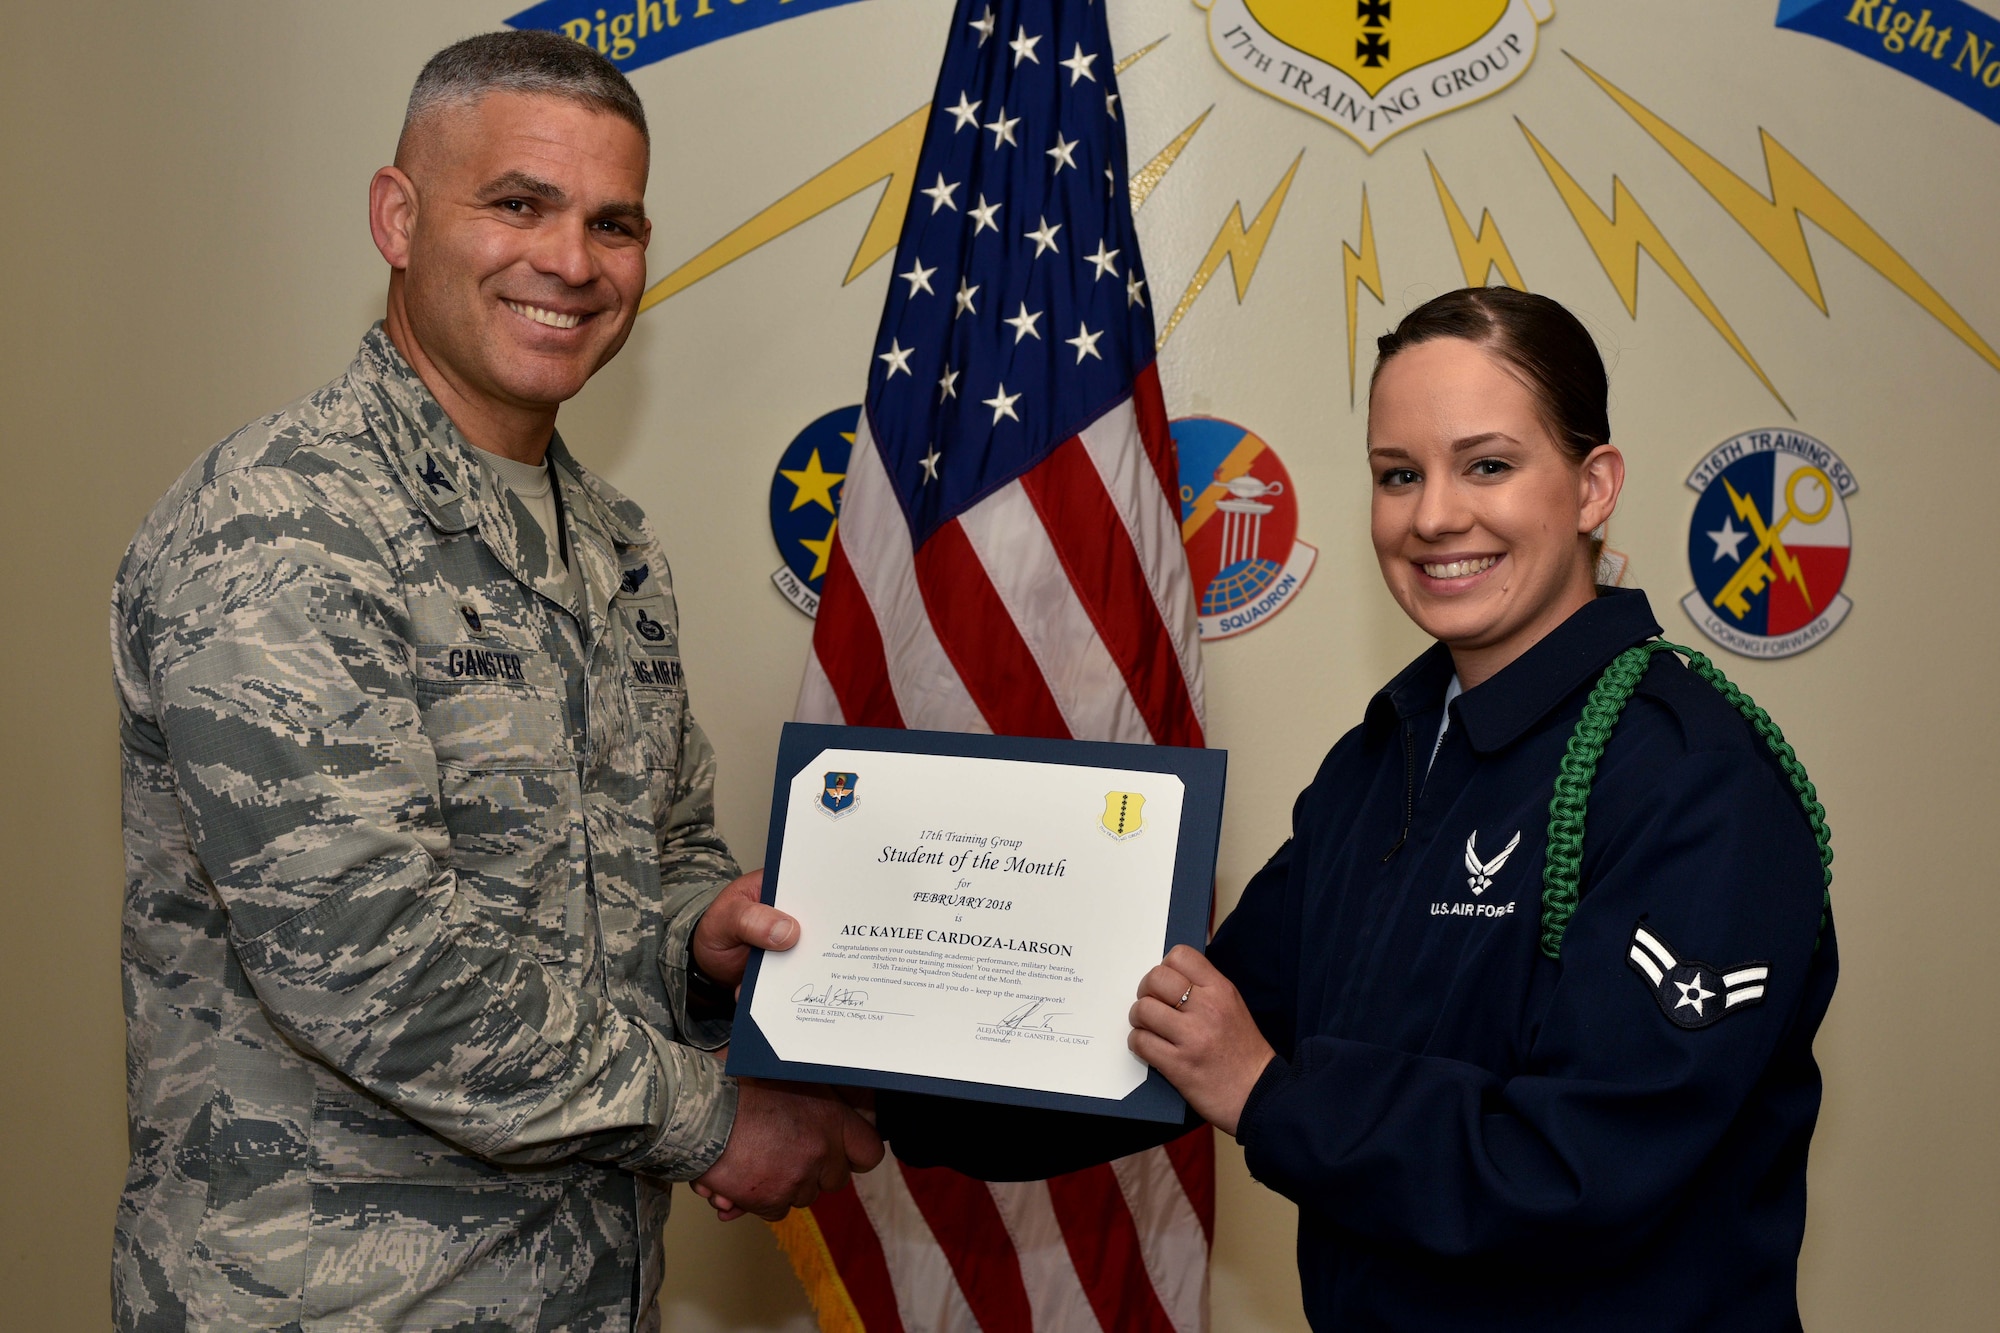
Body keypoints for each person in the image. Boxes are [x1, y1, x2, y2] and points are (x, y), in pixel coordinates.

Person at [111, 31, 879, 1332]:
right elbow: (366, 959)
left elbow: (654, 847)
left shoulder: (612, 546)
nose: (572, 262)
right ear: (398, 218)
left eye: (613, 222)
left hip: (582, 1294)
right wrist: (717, 1120)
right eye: (518, 203)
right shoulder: (284, 531)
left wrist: (699, 931)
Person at [884, 287, 1837, 1330]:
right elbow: (1179, 1036)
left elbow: (1583, 1171)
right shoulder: (1380, 758)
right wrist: (860, 1067)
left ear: (1591, 486)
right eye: (1397, 474)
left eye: (1486, 464)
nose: (1432, 516)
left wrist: (1271, 1096)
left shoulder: (1693, 776)